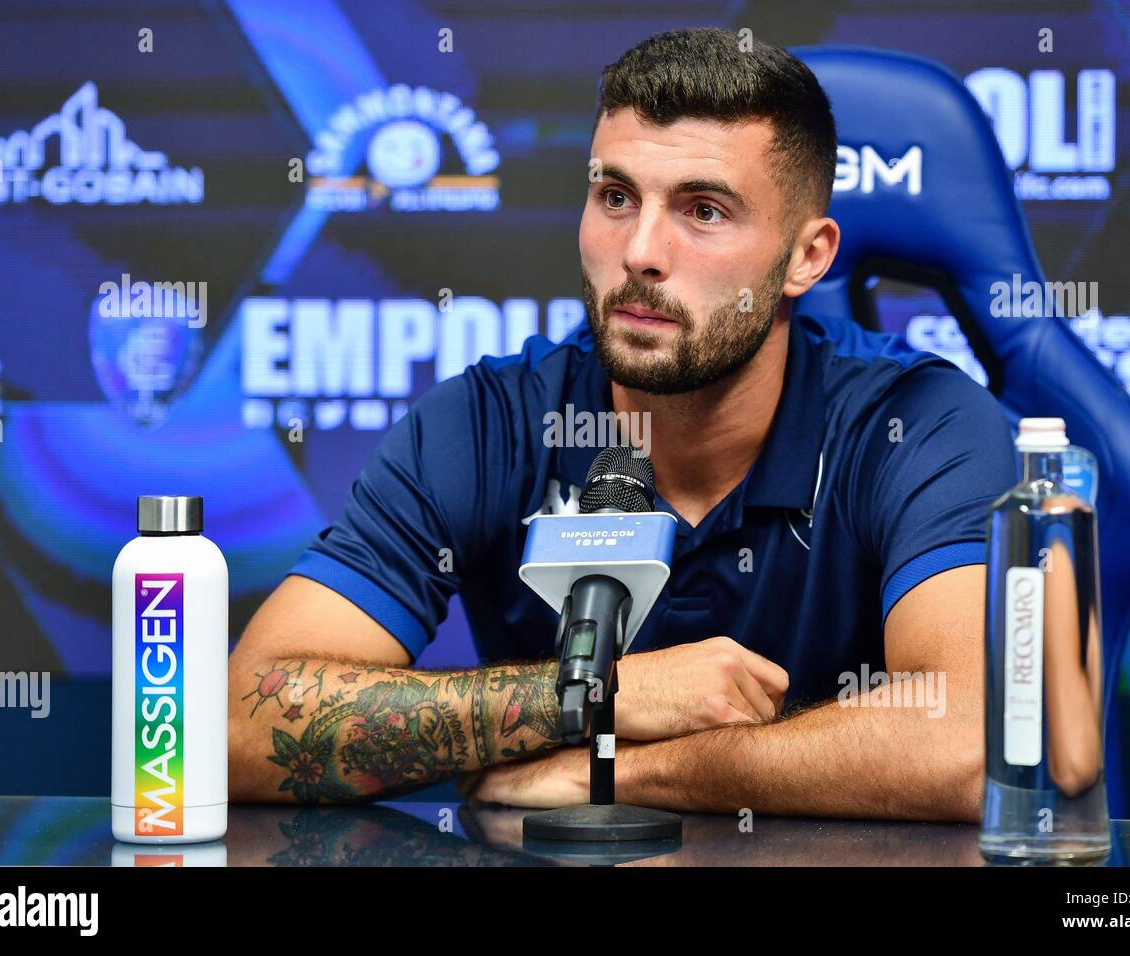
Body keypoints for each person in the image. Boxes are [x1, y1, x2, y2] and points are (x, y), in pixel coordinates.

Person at [229, 27, 1015, 821]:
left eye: (703, 210)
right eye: (615, 197)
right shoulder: (487, 424)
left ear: (807, 258)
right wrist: (592, 696)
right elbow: (230, 730)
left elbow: (972, 744)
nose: (640, 250)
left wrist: (610, 774)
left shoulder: (918, 427)